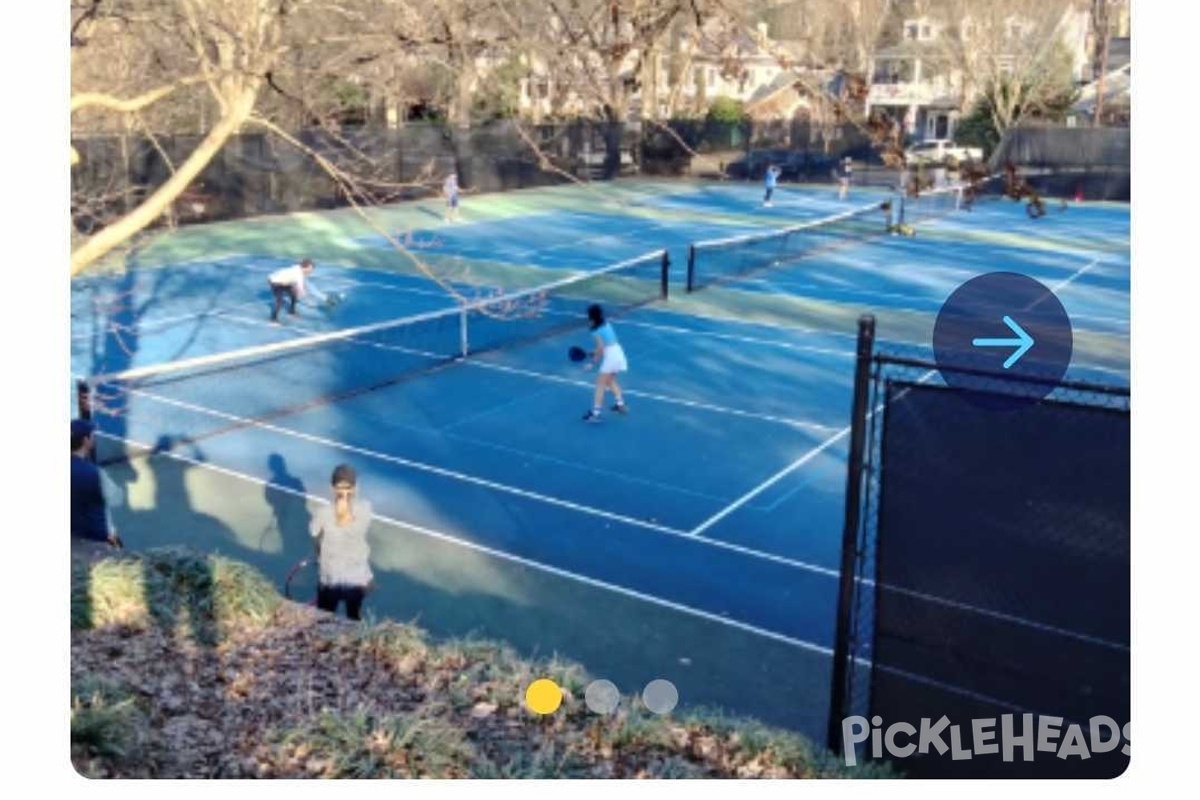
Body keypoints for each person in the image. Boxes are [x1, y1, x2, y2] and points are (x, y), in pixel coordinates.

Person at [309, 464, 374, 621]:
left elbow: (314, 534)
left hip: (330, 581)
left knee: (323, 619)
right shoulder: (366, 509)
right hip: (357, 581)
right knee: (354, 617)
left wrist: (319, 551)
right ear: (355, 487)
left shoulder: (322, 513)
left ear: (332, 488)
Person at [71, 419, 123, 558]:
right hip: (96, 544)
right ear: (85, 440)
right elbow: (117, 498)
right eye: (91, 435)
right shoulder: (96, 474)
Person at [581, 304, 628, 423]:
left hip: (611, 357)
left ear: (591, 317)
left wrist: (592, 363)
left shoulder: (595, 331)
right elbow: (606, 346)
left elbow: (601, 348)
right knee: (610, 381)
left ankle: (595, 414)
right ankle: (620, 405)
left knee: (600, 385)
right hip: (618, 352)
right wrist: (594, 352)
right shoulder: (606, 323)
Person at [267, 258, 330, 323]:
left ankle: (291, 312)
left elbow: (307, 286)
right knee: (279, 300)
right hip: (275, 282)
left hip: (284, 282)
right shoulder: (298, 275)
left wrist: (322, 296)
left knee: (294, 295)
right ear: (305, 267)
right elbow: (301, 290)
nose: (311, 272)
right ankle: (273, 320)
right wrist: (308, 301)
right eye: (310, 270)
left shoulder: (299, 268)